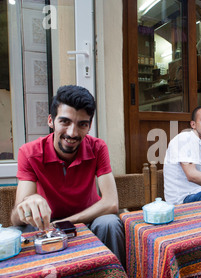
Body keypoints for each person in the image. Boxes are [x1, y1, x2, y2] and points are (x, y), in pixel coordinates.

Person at [11, 85, 125, 267]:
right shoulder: (29, 152)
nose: (72, 133)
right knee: (20, 228)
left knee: (109, 223)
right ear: (51, 121)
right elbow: (16, 217)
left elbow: (111, 203)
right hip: (46, 226)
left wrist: (66, 222)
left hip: (88, 221)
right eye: (65, 121)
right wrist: (28, 203)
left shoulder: (98, 147)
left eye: (82, 124)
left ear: (89, 126)